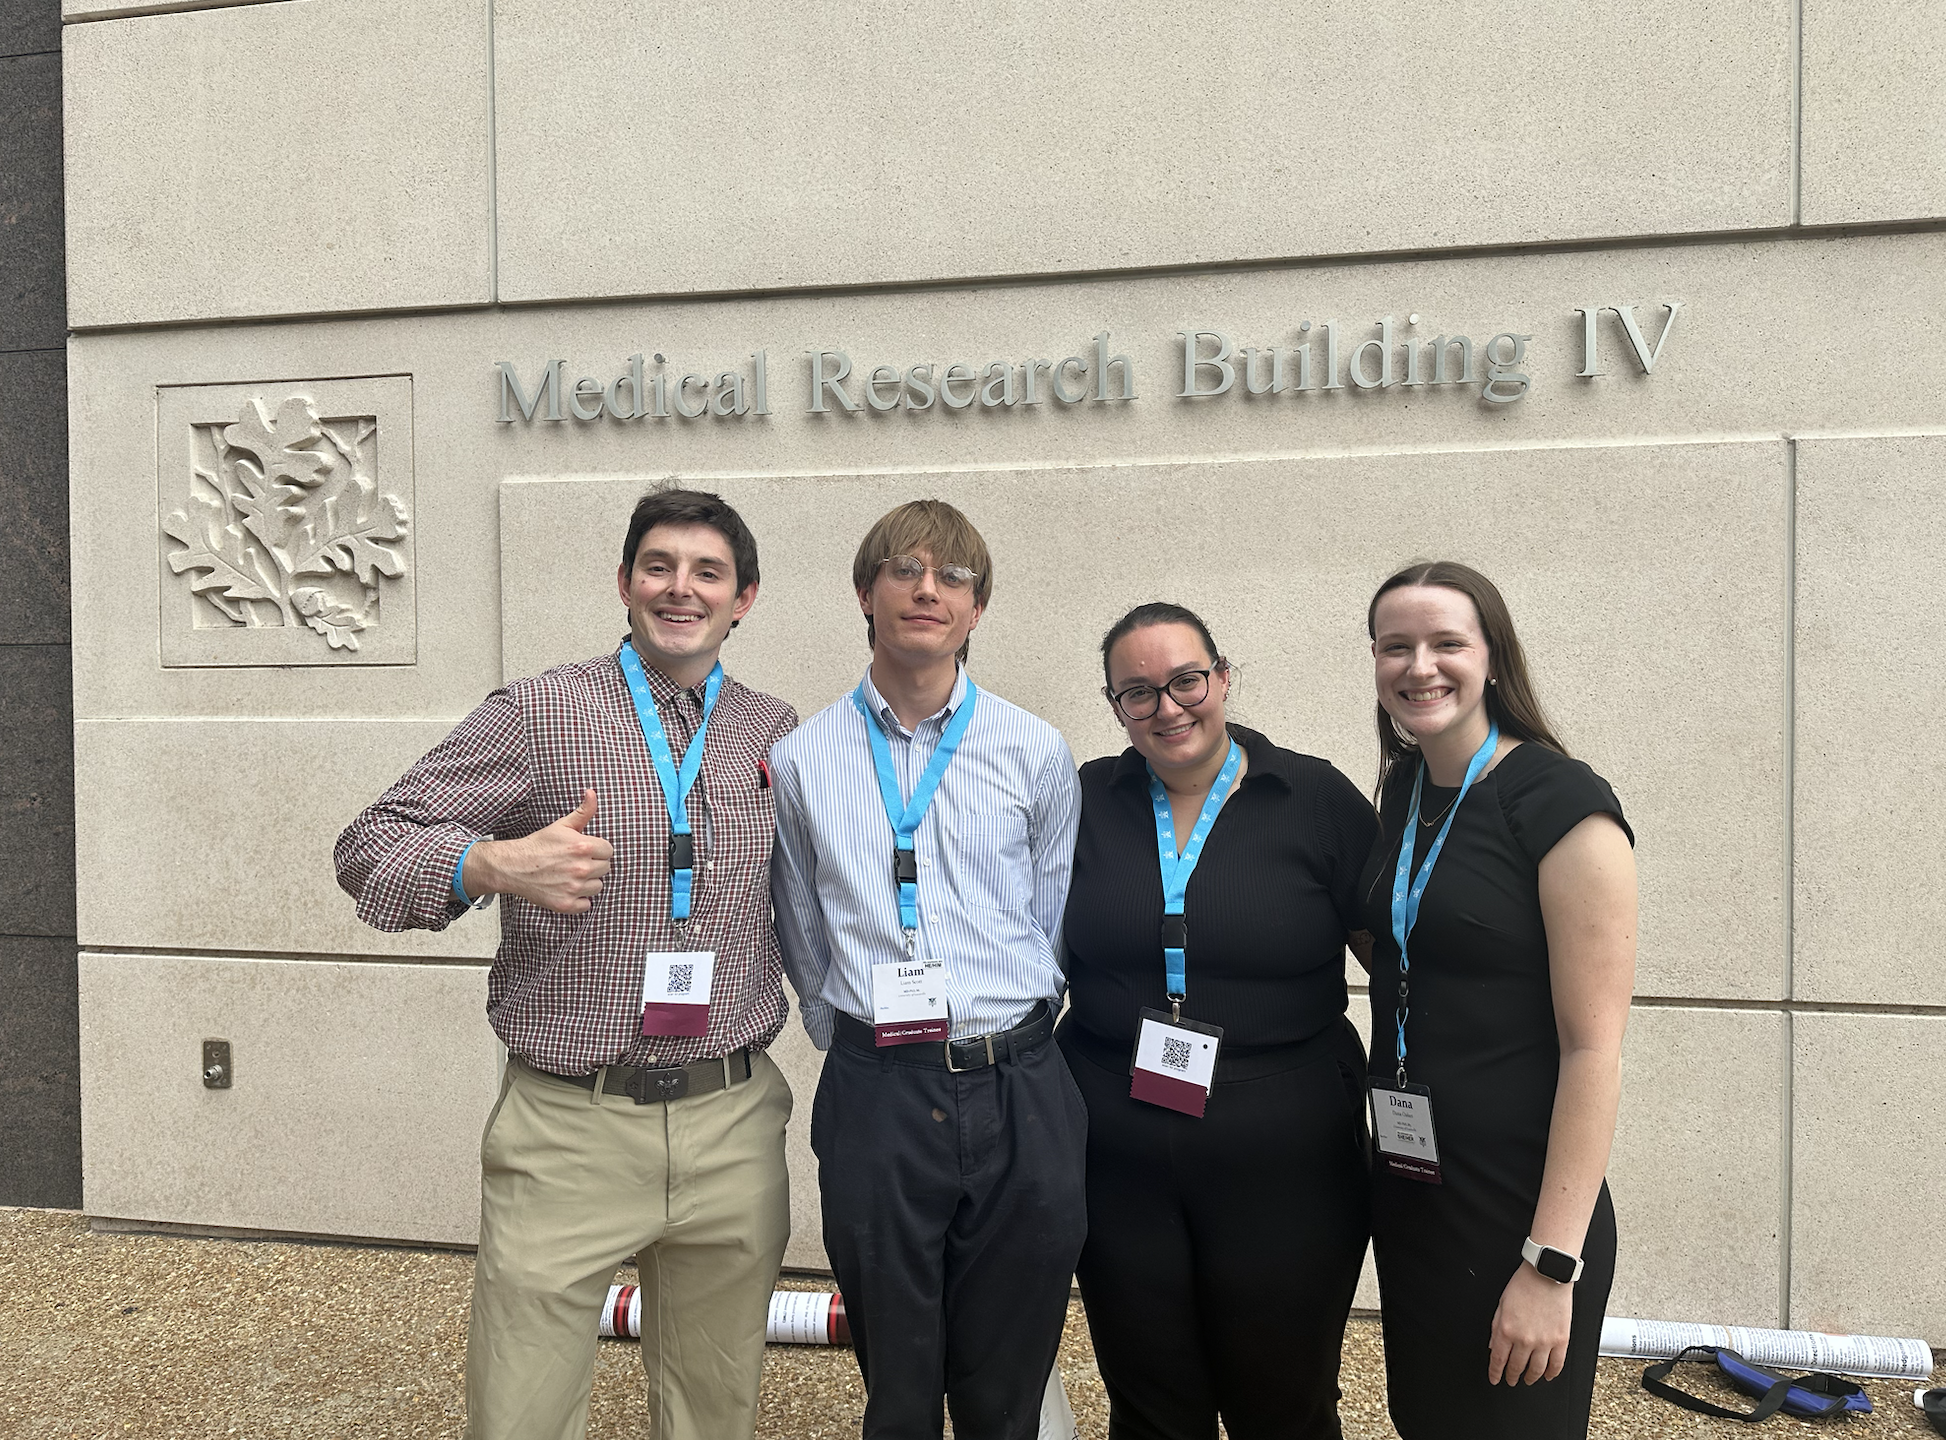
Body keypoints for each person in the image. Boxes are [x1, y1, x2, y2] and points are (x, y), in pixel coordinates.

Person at [333, 489, 798, 1440]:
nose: (682, 588)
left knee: (718, 1413)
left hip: (733, 1117)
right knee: (522, 1414)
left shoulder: (776, 734)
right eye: (659, 566)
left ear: (744, 597)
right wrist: (487, 864)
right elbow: (369, 845)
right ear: (624, 583)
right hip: (568, 1125)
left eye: (708, 572)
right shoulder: (540, 714)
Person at [767, 499, 1085, 1440]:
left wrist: (1007, 1032)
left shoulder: (1035, 750)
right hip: (879, 1093)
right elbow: (801, 926)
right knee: (898, 1385)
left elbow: (1055, 917)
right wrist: (865, 1041)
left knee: (1008, 1384)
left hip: (1021, 1088)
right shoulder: (800, 758)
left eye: (952, 577)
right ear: (866, 593)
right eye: (904, 570)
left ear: (977, 609)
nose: (927, 589)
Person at [1056, 602, 1378, 1440]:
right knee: (1150, 1391)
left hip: (1287, 1148)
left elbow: (1392, 956)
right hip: (1115, 1143)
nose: (1168, 708)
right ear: (1115, 706)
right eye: (1138, 693)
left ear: (1223, 678)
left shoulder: (1314, 798)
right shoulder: (1083, 798)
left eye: (1186, 681)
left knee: (1285, 1395)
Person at [1358, 561, 1636, 1440]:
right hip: (1416, 1190)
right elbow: (1408, 949)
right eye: (1396, 646)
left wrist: (1551, 1266)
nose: (1420, 666)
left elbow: (1595, 1050)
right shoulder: (1407, 790)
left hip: (1518, 1209)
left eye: (1447, 643)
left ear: (1492, 655)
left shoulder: (1561, 804)